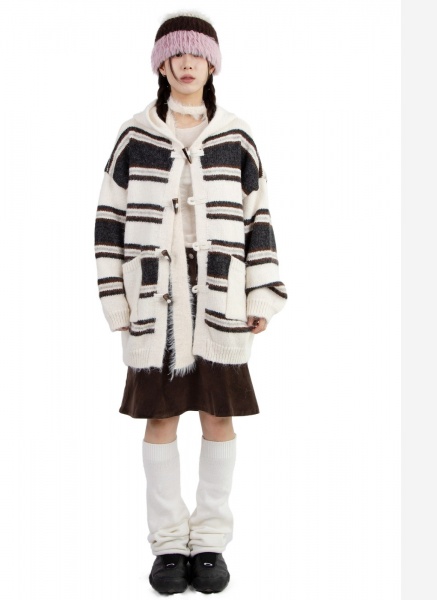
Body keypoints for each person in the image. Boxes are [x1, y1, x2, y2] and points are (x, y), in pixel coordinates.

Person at [94, 11, 288, 594]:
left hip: (220, 298)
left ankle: (209, 543)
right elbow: (108, 221)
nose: (186, 63)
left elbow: (258, 217)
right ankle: (166, 545)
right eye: (176, 53)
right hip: (155, 300)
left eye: (197, 54)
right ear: (162, 65)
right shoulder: (134, 135)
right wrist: (116, 300)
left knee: (218, 416)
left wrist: (260, 291)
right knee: (159, 418)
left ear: (211, 64)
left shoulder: (235, 136)